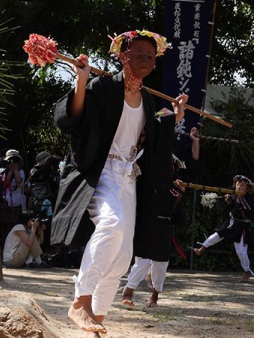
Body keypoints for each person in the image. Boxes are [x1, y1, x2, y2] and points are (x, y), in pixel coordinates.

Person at [50, 29, 186, 336]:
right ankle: (80, 301)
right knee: (111, 225)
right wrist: (82, 80)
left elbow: (153, 136)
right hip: (100, 172)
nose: (145, 60)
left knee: (124, 254)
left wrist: (174, 118)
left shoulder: (149, 101)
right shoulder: (103, 87)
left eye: (150, 56)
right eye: (138, 53)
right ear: (122, 56)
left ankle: (97, 317)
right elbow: (71, 117)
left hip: (128, 177)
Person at [121, 127, 200, 307]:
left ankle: (155, 297)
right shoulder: (146, 174)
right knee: (142, 260)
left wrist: (180, 194)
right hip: (146, 222)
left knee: (160, 264)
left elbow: (172, 209)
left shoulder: (173, 184)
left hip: (163, 225)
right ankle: (128, 292)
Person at [194, 175, 254, 282]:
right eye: (238, 184)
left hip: (242, 226)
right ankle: (202, 248)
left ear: (248, 188)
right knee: (217, 235)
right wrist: (229, 202)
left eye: (242, 185)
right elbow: (234, 209)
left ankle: (247, 271)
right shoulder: (233, 197)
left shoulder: (252, 198)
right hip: (231, 222)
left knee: (241, 252)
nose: (239, 187)